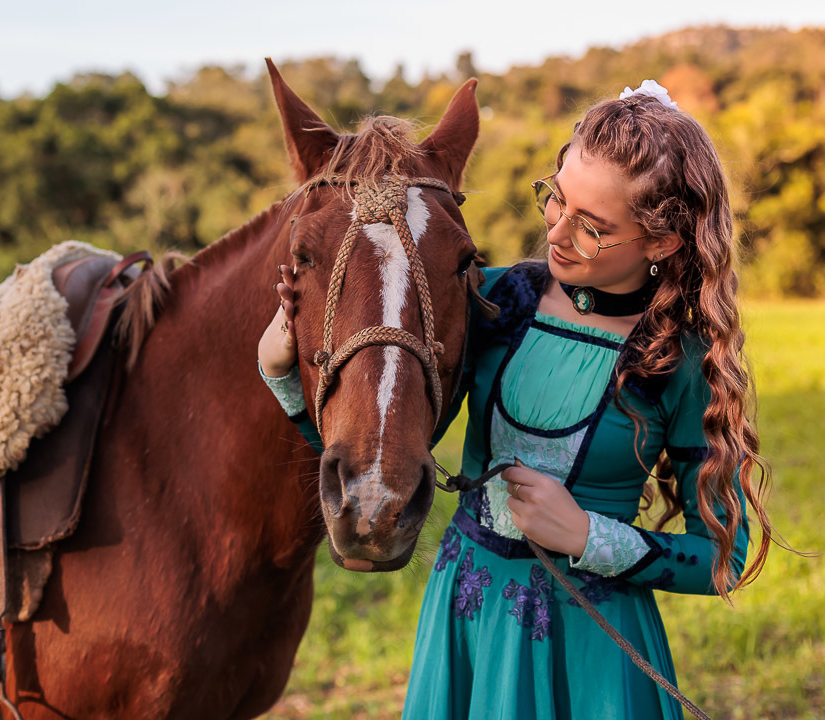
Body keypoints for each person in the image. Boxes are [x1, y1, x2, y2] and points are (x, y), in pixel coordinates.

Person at [257, 80, 773, 720]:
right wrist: (283, 375)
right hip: (465, 622)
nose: (556, 233)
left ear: (663, 242)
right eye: (555, 199)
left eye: (592, 228)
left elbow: (722, 560)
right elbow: (379, 462)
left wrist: (587, 534)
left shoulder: (675, 361)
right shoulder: (494, 302)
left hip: (591, 654)